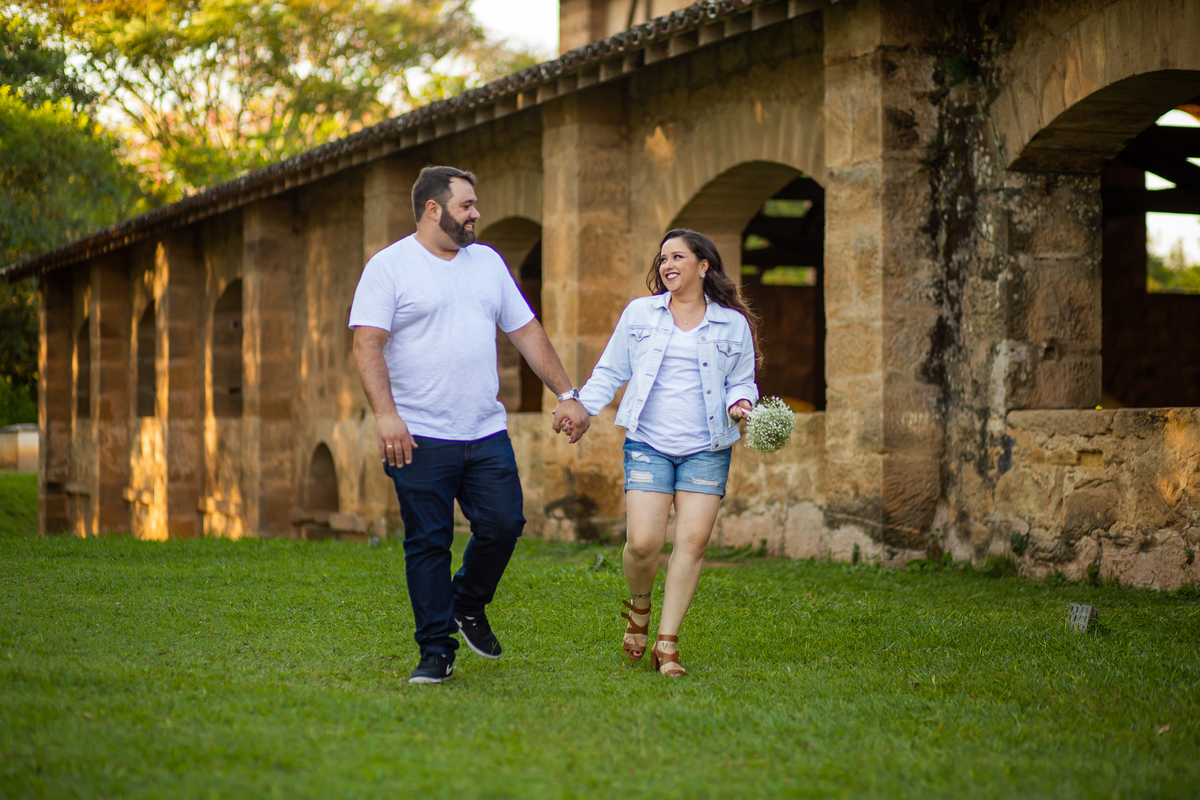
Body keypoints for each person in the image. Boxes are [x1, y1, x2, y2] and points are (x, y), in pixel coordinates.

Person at [350, 166, 590, 684]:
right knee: (428, 542)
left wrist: (567, 394)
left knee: (505, 523)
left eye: (475, 204)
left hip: (483, 430)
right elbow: (367, 342)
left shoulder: (487, 263)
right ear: (433, 209)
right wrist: (386, 415)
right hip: (417, 434)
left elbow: (526, 332)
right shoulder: (389, 267)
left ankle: (467, 602)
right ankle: (436, 651)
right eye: (466, 206)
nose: (476, 213)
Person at [578, 229, 760, 677]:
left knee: (692, 543)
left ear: (704, 266)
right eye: (662, 258)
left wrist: (741, 403)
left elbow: (742, 378)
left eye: (677, 256)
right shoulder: (640, 314)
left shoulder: (732, 323)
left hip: (707, 446)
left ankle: (667, 642)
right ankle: (640, 607)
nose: (666, 264)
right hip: (649, 443)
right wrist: (581, 409)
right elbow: (611, 369)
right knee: (643, 543)